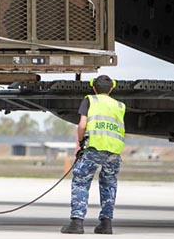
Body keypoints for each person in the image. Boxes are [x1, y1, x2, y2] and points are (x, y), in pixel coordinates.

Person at [61, 75, 125, 235]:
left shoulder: (90, 100)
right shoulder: (120, 105)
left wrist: (81, 141)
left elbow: (83, 124)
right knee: (109, 185)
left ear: (94, 88)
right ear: (111, 88)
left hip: (94, 147)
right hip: (114, 151)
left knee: (81, 181)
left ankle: (77, 223)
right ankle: (106, 224)